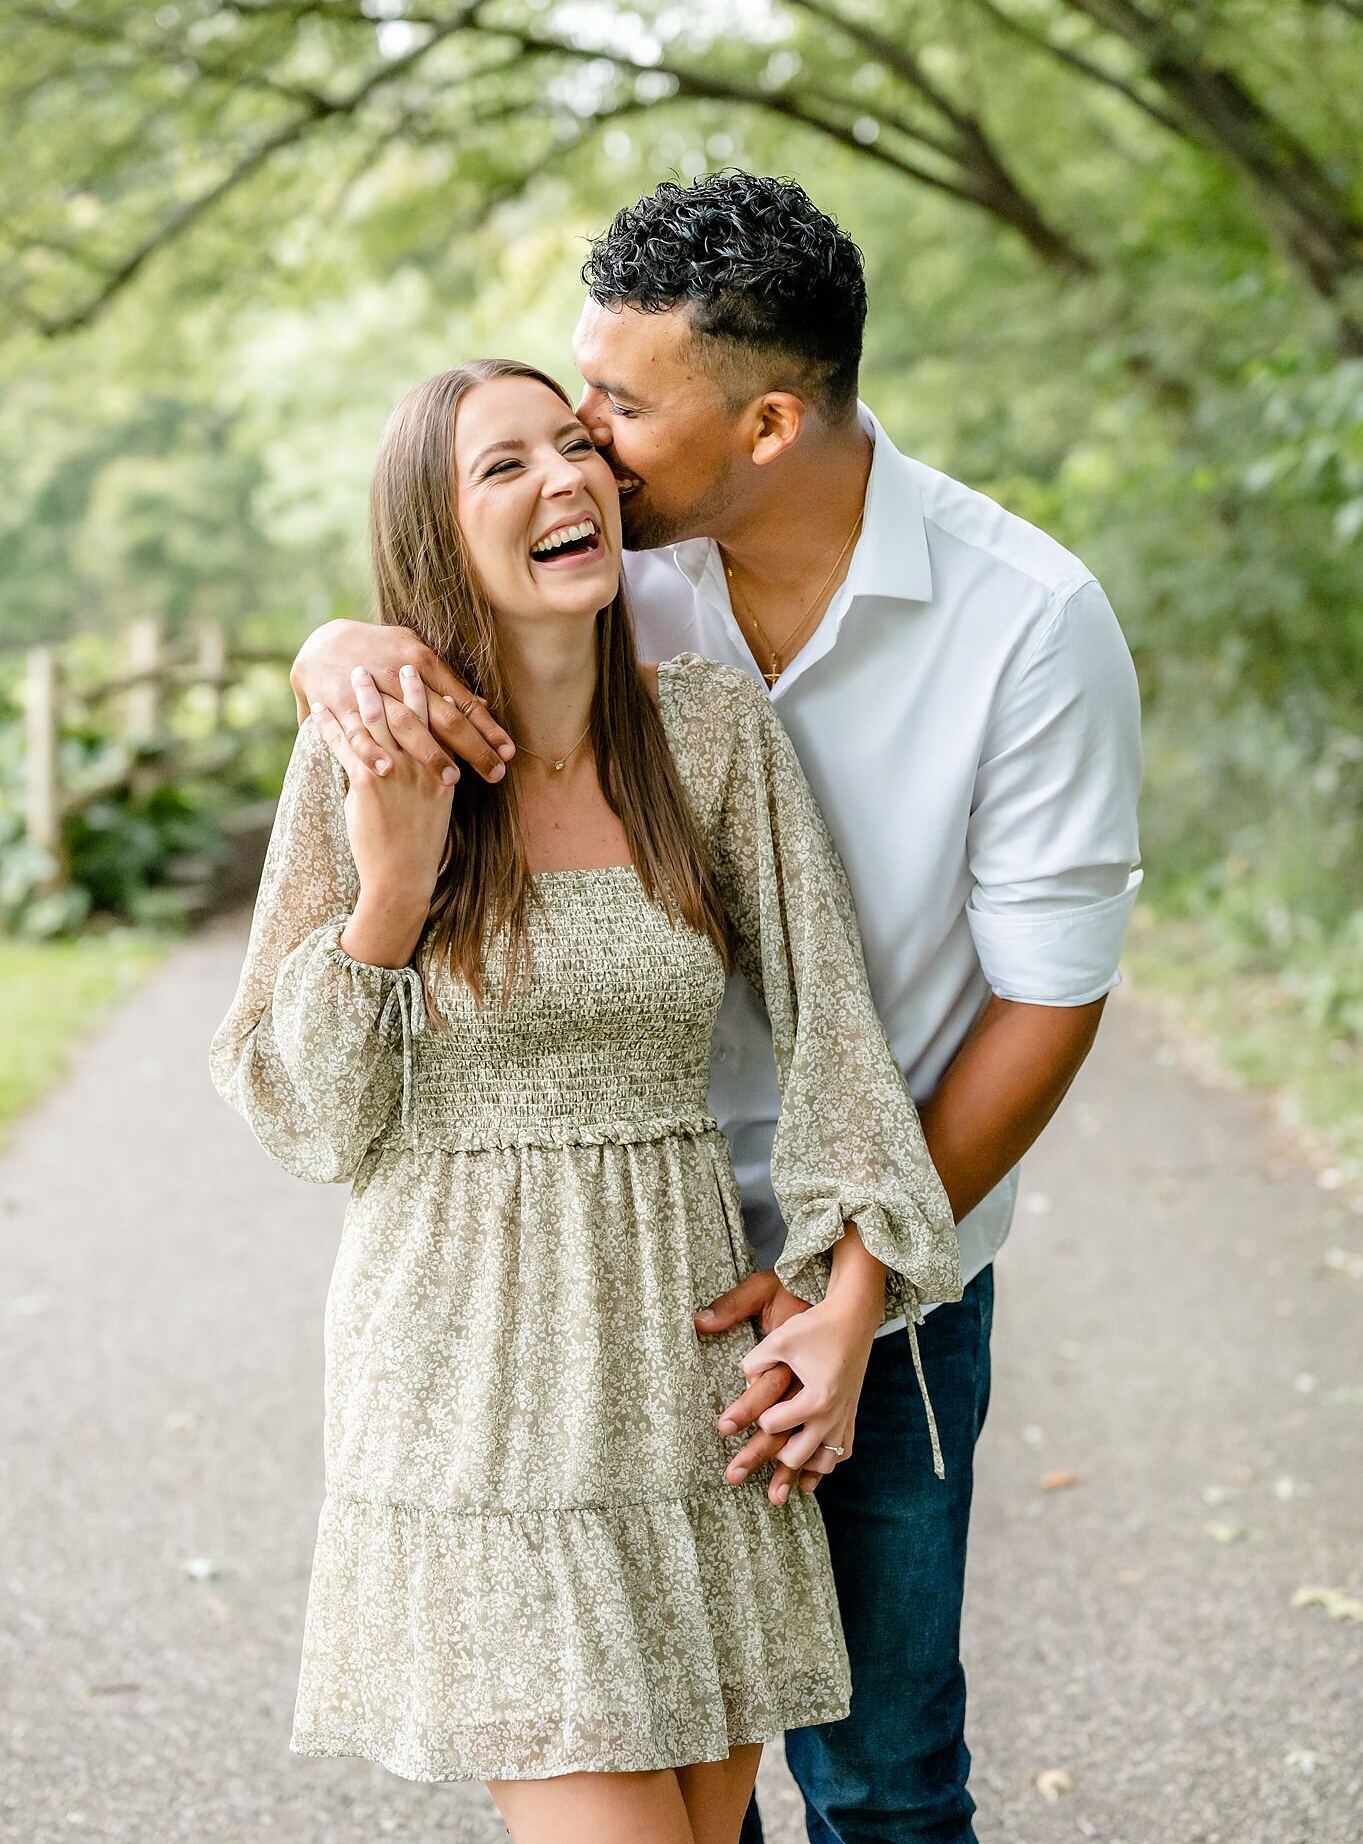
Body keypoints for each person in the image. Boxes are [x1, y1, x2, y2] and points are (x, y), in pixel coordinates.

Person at [292, 173, 1144, 1844]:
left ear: (766, 422)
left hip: (878, 1261)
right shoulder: (615, 577)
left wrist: (851, 1284)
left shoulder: (1026, 621)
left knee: (886, 1775)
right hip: (587, 1297)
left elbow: (1048, 999)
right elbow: (437, 586)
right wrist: (334, 647)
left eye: (615, 406)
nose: (586, 449)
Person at [212, 356, 963, 1844]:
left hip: (685, 1388)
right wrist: (394, 888)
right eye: (505, 466)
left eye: (575, 448)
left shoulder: (706, 732)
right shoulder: (363, 750)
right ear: (436, 534)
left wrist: (851, 1303)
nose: (568, 479)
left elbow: (836, 1039)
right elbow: (311, 1118)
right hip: (473, 1396)